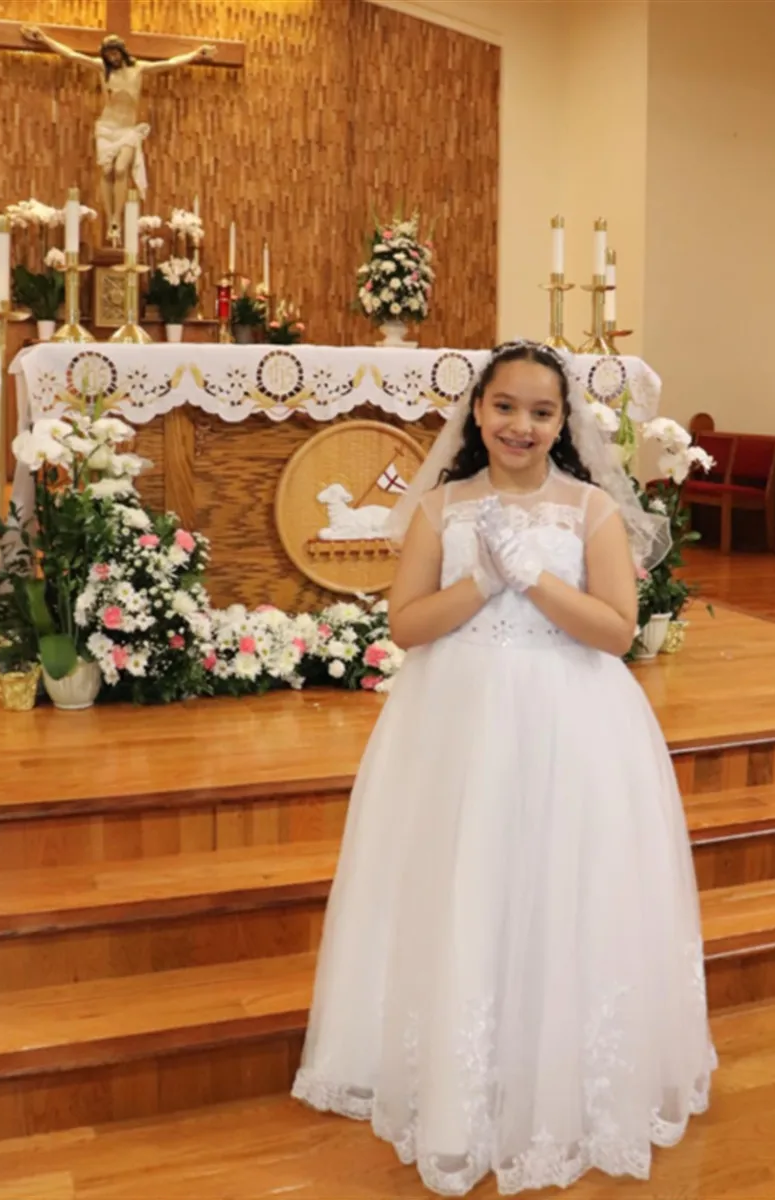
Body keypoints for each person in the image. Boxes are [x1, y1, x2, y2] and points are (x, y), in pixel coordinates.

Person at [292, 341, 716, 1195]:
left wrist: (536, 580)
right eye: (506, 407)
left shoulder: (589, 508)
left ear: (563, 425)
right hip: (455, 721)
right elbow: (406, 625)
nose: (521, 425)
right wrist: (484, 582)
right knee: (465, 882)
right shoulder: (440, 507)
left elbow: (615, 630)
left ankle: (551, 1067)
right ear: (476, 411)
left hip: (572, 721)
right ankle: (456, 1068)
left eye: (542, 412)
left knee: (559, 883)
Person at [20, 26, 213, 245]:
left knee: (121, 169)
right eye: (108, 54)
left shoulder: (138, 69)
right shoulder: (102, 69)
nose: (112, 57)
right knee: (108, 169)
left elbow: (168, 64)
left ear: (122, 51)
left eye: (115, 52)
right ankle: (112, 220)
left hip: (128, 130)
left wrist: (195, 55)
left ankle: (115, 220)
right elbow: (72, 55)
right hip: (107, 128)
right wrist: (45, 39)